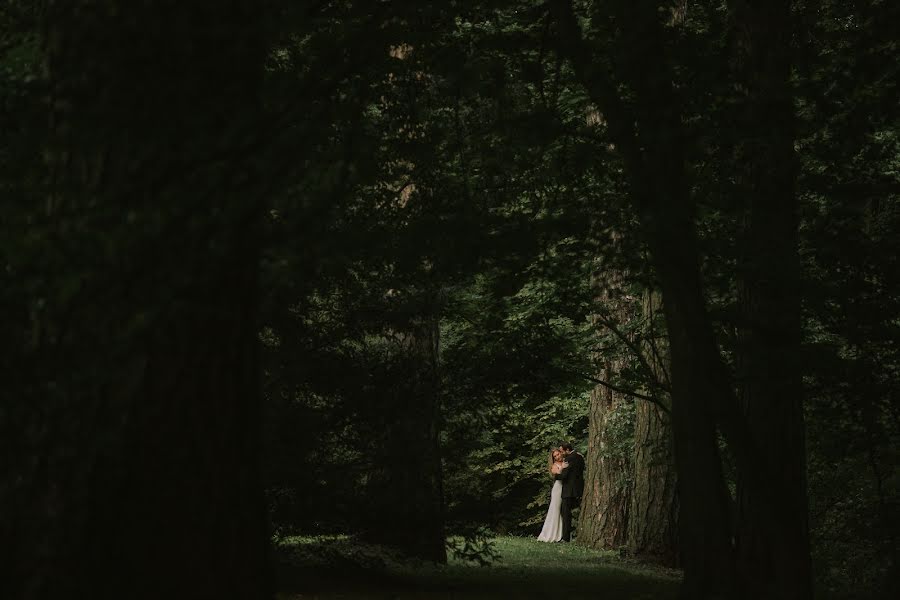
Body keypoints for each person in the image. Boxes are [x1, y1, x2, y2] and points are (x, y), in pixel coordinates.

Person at [554, 442, 584, 542]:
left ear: (567, 450)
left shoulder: (569, 459)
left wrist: (556, 475)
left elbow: (564, 476)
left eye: (562, 451)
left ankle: (566, 538)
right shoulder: (580, 457)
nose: (561, 454)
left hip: (568, 490)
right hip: (579, 489)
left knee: (566, 514)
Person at [536, 448, 566, 542]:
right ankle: (550, 533)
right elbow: (558, 474)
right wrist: (563, 467)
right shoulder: (554, 466)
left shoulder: (566, 461)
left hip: (565, 488)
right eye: (555, 456)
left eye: (558, 454)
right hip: (558, 488)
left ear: (561, 453)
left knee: (562, 510)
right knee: (555, 509)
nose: (558, 457)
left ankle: (561, 533)